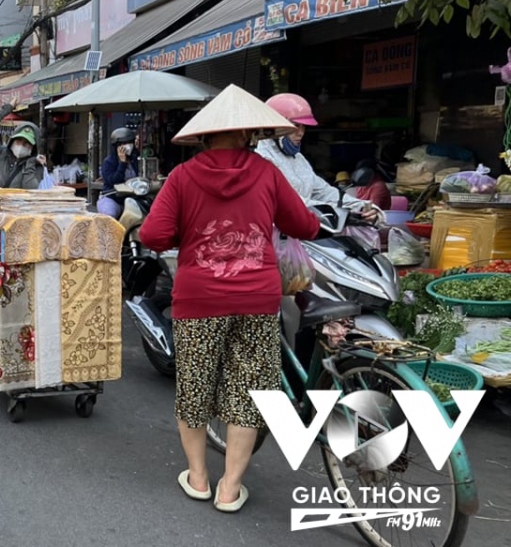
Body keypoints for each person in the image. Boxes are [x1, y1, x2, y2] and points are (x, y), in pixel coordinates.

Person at [138, 85, 320, 513]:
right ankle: (230, 488)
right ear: (247, 134)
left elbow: (152, 235)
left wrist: (190, 233)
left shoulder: (183, 177)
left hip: (198, 299)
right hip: (257, 299)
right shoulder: (268, 174)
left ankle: (198, 478)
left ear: (204, 136)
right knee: (249, 390)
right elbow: (305, 225)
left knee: (195, 385)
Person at [257, 93, 380, 222]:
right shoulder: (262, 158)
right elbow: (289, 202)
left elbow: (324, 192)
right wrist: (341, 212)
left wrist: (360, 206)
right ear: (276, 127)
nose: (301, 133)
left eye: (303, 127)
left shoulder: (298, 159)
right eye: (295, 127)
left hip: (300, 232)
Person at [0, 102, 46, 189]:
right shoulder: (0, 155)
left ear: (33, 147)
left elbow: (30, 190)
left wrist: (30, 163)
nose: (21, 145)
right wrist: (8, 108)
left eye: (27, 143)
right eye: (19, 140)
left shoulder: (36, 167)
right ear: (12, 140)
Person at [97, 127, 141, 217]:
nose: (127, 145)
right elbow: (114, 181)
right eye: (123, 143)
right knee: (110, 215)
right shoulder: (109, 161)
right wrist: (122, 163)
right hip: (113, 199)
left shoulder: (135, 160)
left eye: (129, 142)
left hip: (132, 199)